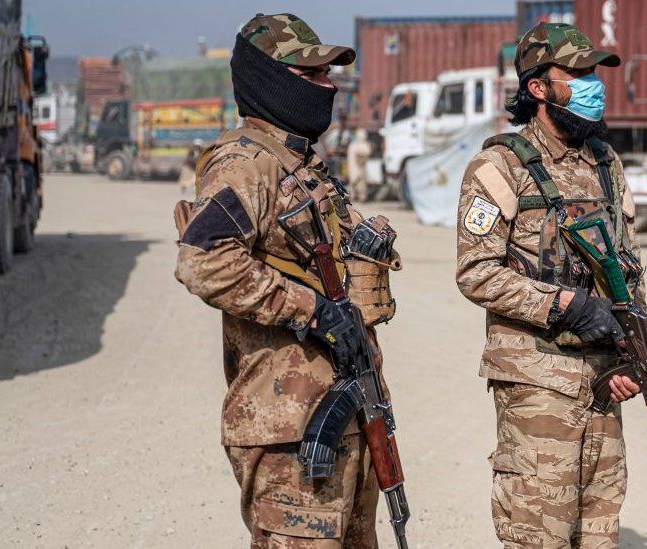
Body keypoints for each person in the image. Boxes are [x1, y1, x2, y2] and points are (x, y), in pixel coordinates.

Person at [174, 13, 396, 548]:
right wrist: (313, 311)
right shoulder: (245, 163)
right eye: (312, 75)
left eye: (328, 74)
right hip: (286, 430)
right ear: (269, 80)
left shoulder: (304, 166)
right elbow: (203, 260)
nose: (329, 86)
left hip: (348, 412)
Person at [455, 22, 647, 548]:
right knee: (539, 536)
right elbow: (476, 271)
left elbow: (627, 268)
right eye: (577, 74)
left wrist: (631, 353)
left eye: (594, 74)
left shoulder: (606, 164)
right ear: (538, 88)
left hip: (603, 384)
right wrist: (563, 304)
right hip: (538, 386)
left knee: (598, 535)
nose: (592, 84)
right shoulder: (501, 166)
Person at [346, 127, 371, 203]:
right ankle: (356, 196)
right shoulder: (355, 145)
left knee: (360, 183)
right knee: (357, 182)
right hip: (356, 167)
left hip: (359, 168)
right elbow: (364, 154)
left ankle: (360, 197)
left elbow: (365, 154)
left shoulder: (357, 144)